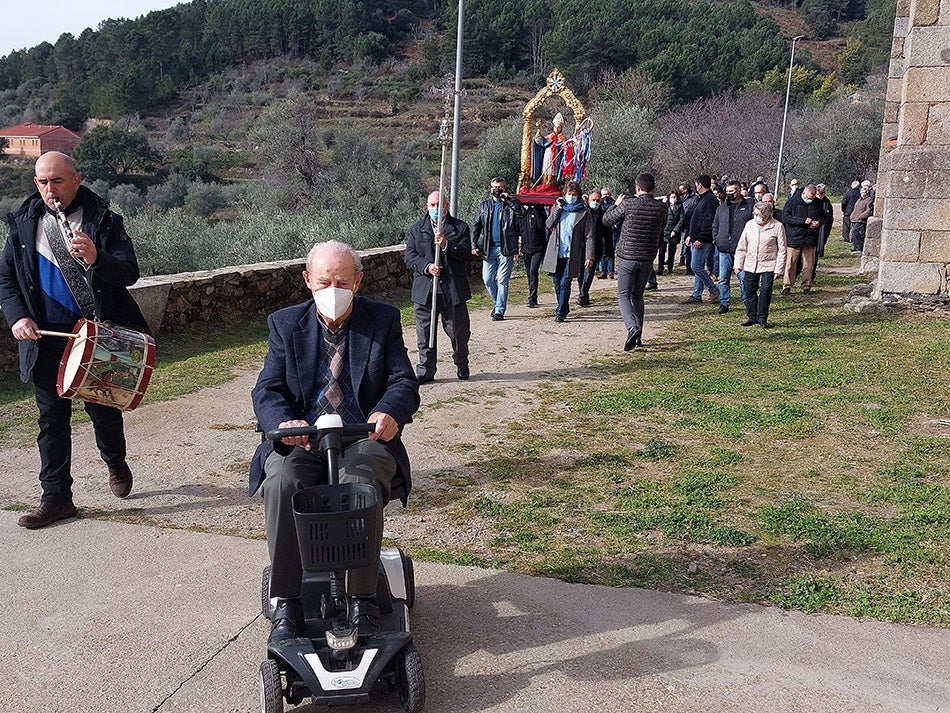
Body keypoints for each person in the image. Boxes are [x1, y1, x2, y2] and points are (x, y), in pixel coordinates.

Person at [250, 240, 420, 644]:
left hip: (361, 434)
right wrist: (285, 422)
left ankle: (363, 598)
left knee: (359, 483)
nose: (333, 289)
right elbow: (267, 389)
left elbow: (403, 381)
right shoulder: (285, 324)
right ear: (308, 280)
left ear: (358, 281)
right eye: (324, 281)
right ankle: (287, 600)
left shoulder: (382, 320)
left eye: (342, 281)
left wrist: (390, 412)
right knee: (282, 483)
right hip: (304, 439)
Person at [0, 151, 149, 529]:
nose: (51, 189)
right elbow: (6, 281)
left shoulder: (105, 220)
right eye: (43, 182)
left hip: (96, 336)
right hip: (45, 338)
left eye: (58, 181)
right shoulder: (22, 224)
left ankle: (114, 461)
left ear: (76, 180)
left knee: (103, 411)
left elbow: (128, 272)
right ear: (35, 183)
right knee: (51, 419)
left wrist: (98, 257)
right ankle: (56, 498)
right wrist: (18, 316)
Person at [405, 191, 472, 383]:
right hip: (425, 291)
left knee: (458, 332)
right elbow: (409, 255)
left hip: (452, 290)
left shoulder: (460, 228)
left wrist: (446, 245)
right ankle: (426, 370)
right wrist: (427, 267)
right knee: (425, 333)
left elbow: (466, 253)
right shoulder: (417, 229)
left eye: (438, 205)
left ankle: (461, 362)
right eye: (432, 205)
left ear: (446, 206)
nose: (435, 209)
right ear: (427, 206)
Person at [602, 173, 667, 351]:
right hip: (647, 257)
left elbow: (606, 221)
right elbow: (661, 229)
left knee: (623, 295)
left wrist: (615, 205)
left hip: (628, 257)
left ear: (637, 188)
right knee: (637, 296)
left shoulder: (629, 203)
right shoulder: (661, 208)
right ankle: (638, 337)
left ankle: (632, 328)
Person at [471, 177, 522, 321]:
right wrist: (473, 244)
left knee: (502, 280)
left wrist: (509, 200)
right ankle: (496, 303)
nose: (497, 190)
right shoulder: (485, 205)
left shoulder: (512, 204)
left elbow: (521, 214)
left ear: (505, 188)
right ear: (490, 188)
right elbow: (476, 225)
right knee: (487, 279)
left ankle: (499, 310)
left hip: (506, 248)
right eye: (495, 187)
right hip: (488, 248)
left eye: (500, 187)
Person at [543, 181, 594, 323]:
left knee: (566, 281)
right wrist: (558, 208)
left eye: (574, 194)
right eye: (568, 194)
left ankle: (560, 311)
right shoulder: (558, 207)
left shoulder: (584, 212)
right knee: (556, 282)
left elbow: (589, 235)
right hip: (556, 251)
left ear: (578, 195)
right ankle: (564, 307)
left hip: (573, 253)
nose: (571, 197)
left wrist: (590, 256)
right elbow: (549, 224)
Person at [734, 201, 787, 328]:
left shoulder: (778, 226)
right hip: (750, 264)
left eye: (759, 214)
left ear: (767, 215)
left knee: (765, 291)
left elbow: (782, 249)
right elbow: (742, 246)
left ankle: (762, 318)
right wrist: (738, 264)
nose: (756, 217)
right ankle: (752, 316)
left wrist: (779, 269)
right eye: (755, 214)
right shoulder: (749, 225)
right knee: (749, 290)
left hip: (769, 264)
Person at [711, 180, 754, 314]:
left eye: (732, 191)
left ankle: (747, 301)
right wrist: (716, 240)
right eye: (727, 191)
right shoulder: (722, 207)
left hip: (742, 249)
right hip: (724, 248)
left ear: (739, 190)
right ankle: (724, 302)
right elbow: (715, 225)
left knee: (743, 277)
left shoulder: (749, 206)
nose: (729, 194)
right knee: (723, 278)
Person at [682, 174, 720, 304]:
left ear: (700, 185)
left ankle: (713, 289)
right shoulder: (702, 199)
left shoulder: (709, 200)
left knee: (696, 266)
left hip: (703, 240)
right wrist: (690, 236)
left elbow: (708, 222)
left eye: (696, 184)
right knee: (699, 266)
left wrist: (700, 239)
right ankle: (697, 294)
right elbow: (697, 220)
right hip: (696, 238)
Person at [781, 183, 823, 295]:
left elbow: (824, 216)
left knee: (808, 264)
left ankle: (806, 286)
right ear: (804, 193)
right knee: (790, 263)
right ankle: (787, 285)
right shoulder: (792, 202)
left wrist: (818, 222)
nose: (812, 199)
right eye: (810, 197)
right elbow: (785, 217)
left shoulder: (818, 203)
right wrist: (802, 221)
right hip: (794, 237)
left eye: (814, 197)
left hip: (810, 238)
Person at [577, 190, 609, 306]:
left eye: (597, 200)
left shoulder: (603, 214)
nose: (595, 202)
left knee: (589, 273)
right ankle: (584, 295)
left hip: (596, 248)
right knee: (581, 273)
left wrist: (608, 252)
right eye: (593, 200)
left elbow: (607, 234)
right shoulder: (583, 212)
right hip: (582, 247)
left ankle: (582, 294)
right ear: (588, 200)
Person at [519, 203, 548, 308]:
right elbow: (519, 230)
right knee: (529, 273)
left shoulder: (539, 211)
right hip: (526, 248)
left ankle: (532, 297)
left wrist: (536, 208)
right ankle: (532, 296)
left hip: (538, 247)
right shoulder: (522, 213)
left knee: (533, 271)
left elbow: (541, 225)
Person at [659, 191, 686, 275]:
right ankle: (660, 268)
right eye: (671, 197)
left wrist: (675, 230)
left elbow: (681, 219)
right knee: (661, 251)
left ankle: (670, 267)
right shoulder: (665, 206)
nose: (673, 199)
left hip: (674, 232)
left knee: (672, 251)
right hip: (664, 231)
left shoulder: (680, 207)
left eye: (674, 197)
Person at [849, 182, 874, 254]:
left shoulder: (869, 200)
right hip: (854, 218)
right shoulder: (859, 199)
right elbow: (855, 208)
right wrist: (852, 215)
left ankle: (860, 247)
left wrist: (860, 217)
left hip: (860, 220)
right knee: (854, 233)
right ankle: (855, 247)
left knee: (856, 232)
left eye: (865, 191)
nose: (863, 193)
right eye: (862, 191)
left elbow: (868, 211)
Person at [598, 187, 617, 278]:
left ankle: (611, 271)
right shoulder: (599, 204)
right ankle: (603, 271)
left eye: (607, 194)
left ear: (610, 194)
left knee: (611, 250)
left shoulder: (614, 204)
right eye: (603, 195)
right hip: (602, 230)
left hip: (612, 231)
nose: (605, 196)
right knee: (602, 250)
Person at [840, 180, 861, 244]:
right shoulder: (860, 193)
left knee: (846, 226)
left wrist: (844, 210)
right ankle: (854, 239)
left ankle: (846, 238)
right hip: (857, 212)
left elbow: (843, 202)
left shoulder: (848, 193)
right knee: (855, 226)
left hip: (848, 212)